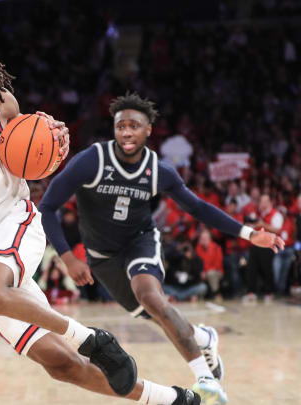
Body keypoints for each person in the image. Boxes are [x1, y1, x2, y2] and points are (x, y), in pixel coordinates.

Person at [0, 24, 199, 405]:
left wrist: (54, 143)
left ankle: (90, 337)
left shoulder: (0, 103)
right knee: (60, 363)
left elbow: (30, 160)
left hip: (13, 222)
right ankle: (172, 399)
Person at [39, 92, 284, 405]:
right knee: (155, 314)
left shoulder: (159, 170)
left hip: (140, 241)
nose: (127, 132)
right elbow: (47, 208)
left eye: (134, 126)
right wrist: (68, 257)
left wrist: (249, 233)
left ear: (148, 130)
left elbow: (197, 207)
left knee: (151, 296)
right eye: (121, 126)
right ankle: (205, 338)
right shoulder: (91, 161)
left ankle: (206, 381)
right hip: (102, 257)